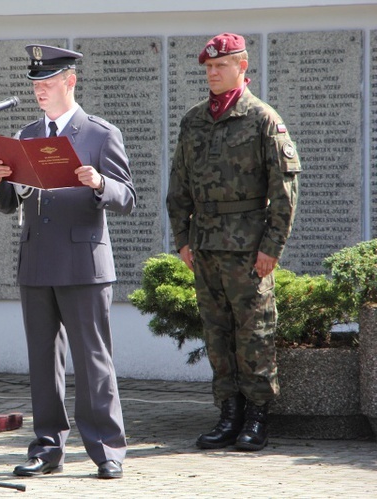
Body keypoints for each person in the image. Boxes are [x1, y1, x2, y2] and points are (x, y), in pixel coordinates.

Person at [0, 44, 136, 479]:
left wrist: (100, 182)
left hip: (83, 263)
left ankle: (107, 448)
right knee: (42, 360)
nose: (40, 90)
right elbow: (9, 202)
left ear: (70, 81)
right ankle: (47, 446)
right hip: (35, 261)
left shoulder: (100, 134)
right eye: (35, 84)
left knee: (93, 360)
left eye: (48, 83)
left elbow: (127, 197)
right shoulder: (27, 135)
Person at [166, 33, 301, 451]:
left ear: (242, 67)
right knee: (217, 333)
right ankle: (228, 413)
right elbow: (179, 186)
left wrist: (271, 248)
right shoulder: (193, 120)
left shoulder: (262, 119)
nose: (212, 73)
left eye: (220, 66)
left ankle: (257, 416)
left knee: (254, 331)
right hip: (204, 244)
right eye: (208, 67)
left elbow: (284, 190)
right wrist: (183, 240)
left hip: (248, 246)